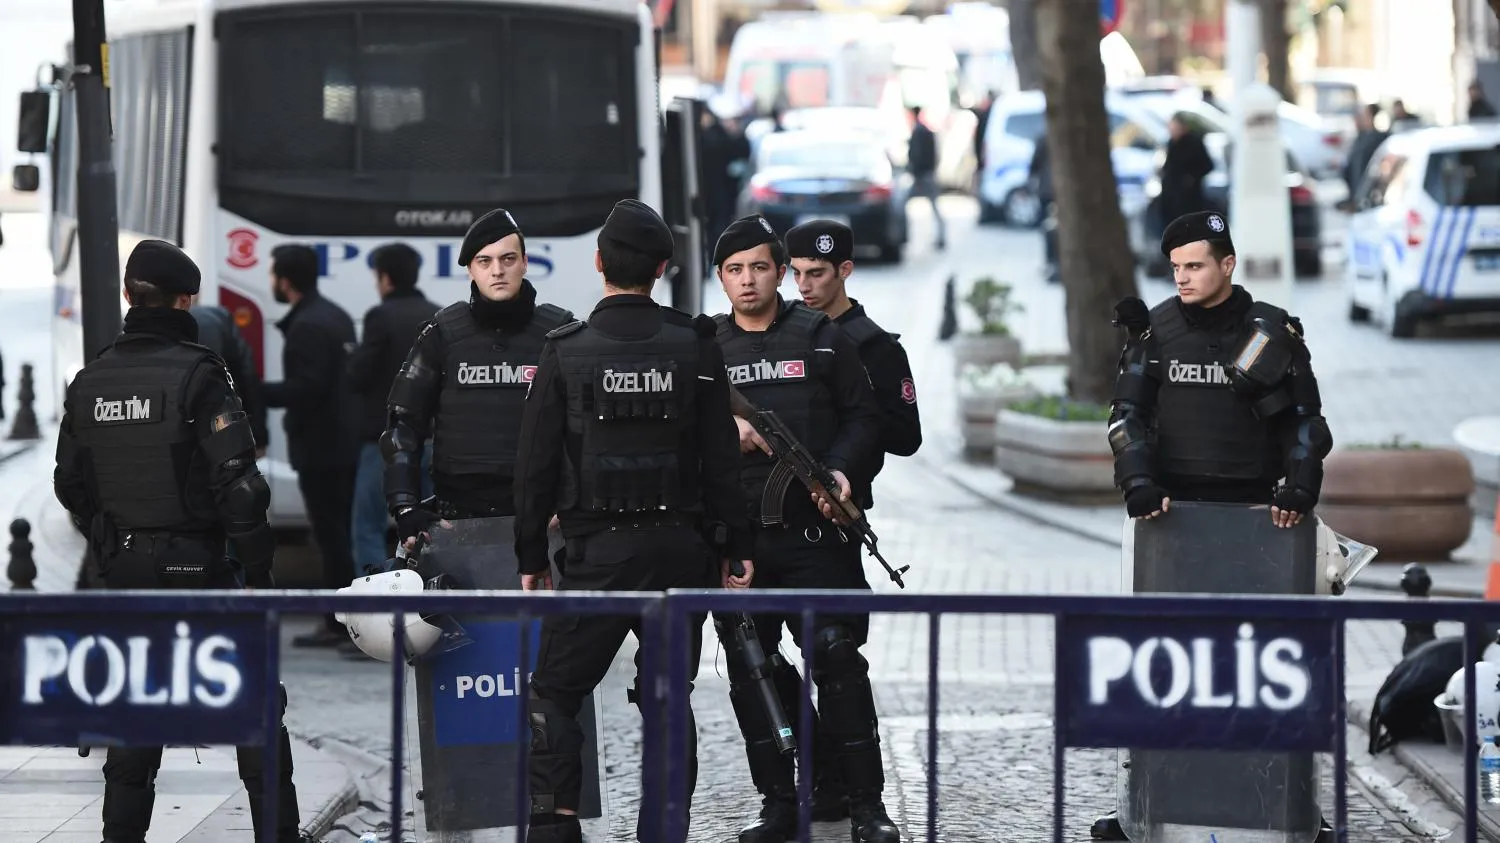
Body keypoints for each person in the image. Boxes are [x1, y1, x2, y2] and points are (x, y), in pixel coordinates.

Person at [514, 200, 754, 843]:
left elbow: (534, 465)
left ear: (599, 264)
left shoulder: (565, 351)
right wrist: (734, 546)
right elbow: (721, 456)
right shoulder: (695, 343)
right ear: (663, 267)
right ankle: (664, 830)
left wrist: (531, 557)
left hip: (598, 558)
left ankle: (555, 828)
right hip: (681, 555)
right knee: (668, 696)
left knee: (554, 691)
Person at [53, 240, 307, 843]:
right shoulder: (200, 373)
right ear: (187, 300)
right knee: (256, 714)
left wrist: (112, 540)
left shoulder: (92, 378)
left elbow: (68, 483)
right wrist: (259, 574)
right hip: (203, 574)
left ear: (127, 296)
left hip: (127, 575)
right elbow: (241, 492)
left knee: (135, 725)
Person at [1096, 211, 1334, 840]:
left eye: (1195, 265)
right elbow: (1125, 416)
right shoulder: (1157, 328)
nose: (1183, 278)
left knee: (1265, 671)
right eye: (1175, 267)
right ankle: (1145, 806)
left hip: (1259, 527)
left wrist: (1300, 484)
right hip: (1171, 525)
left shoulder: (1269, 332)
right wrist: (1138, 479)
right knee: (1164, 671)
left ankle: (1284, 808)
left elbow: (1306, 424)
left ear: (1227, 265)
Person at [709, 215, 895, 843]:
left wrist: (841, 473)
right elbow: (678, 439)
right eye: (734, 270)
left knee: (838, 660)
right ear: (719, 279)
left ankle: (867, 804)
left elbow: (864, 419)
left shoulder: (819, 337)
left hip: (816, 539)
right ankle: (781, 800)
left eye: (759, 267)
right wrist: (721, 432)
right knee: (751, 669)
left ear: (780, 273)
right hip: (743, 545)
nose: (747, 281)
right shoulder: (707, 351)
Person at [778, 218, 922, 819]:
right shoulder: (785, 336)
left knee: (834, 657)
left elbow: (906, 436)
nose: (805, 286)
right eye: (798, 274)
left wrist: (850, 415)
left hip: (836, 516)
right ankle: (822, 778)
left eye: (818, 274)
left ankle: (858, 792)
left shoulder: (874, 345)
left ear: (845, 272)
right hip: (772, 517)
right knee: (758, 660)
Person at [381, 208, 573, 547]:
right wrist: (405, 507)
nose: (497, 271)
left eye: (508, 259)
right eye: (484, 261)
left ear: (526, 262)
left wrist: (573, 503)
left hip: (543, 520)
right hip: (458, 521)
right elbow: (402, 426)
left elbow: (584, 429)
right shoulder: (440, 334)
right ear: (470, 269)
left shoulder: (558, 333)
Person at [263, 244, 360, 648]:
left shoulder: (306, 326)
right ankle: (346, 622)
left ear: (285, 281)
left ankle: (338, 624)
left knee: (331, 536)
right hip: (344, 442)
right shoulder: (334, 315)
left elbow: (308, 388)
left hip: (321, 447)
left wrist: (253, 391)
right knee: (339, 533)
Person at [347, 242, 439, 577]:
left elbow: (359, 374)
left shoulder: (380, 316)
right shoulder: (437, 315)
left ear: (385, 278)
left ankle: (378, 606)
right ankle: (434, 605)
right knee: (434, 530)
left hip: (384, 442)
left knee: (368, 526)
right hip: (434, 442)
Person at [907, 106, 946, 250]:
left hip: (923, 175)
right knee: (935, 206)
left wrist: (916, 173)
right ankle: (941, 236)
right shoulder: (925, 131)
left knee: (902, 204)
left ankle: (940, 237)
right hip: (927, 173)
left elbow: (917, 155)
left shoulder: (919, 132)